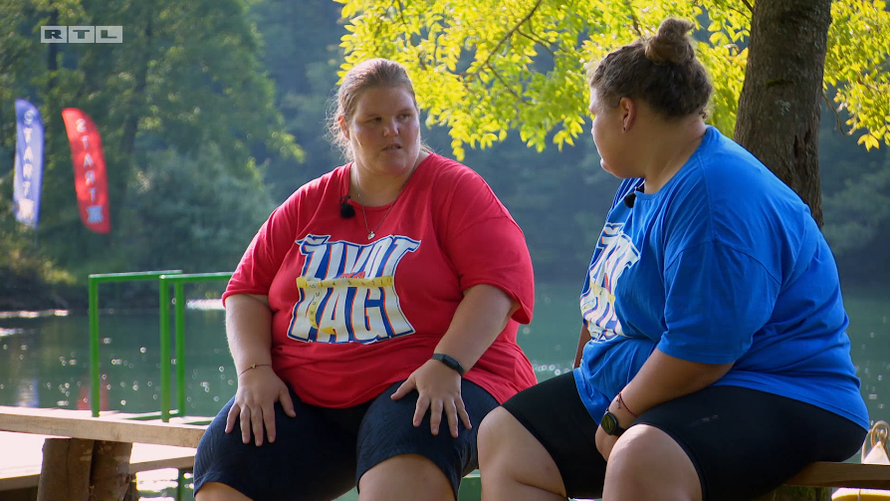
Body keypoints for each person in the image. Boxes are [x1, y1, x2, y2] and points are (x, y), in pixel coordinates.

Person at [477, 18, 869, 501]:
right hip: (666, 383)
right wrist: (593, 376)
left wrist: (619, 412)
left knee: (642, 457)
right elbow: (611, 300)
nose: (591, 128)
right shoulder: (643, 179)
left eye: (593, 113)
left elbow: (706, 348)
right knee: (507, 437)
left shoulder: (712, 195)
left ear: (625, 112)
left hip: (778, 386)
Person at [193, 58, 536, 501]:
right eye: (374, 121)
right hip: (311, 393)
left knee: (407, 442)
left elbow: (497, 287)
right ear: (345, 127)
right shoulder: (308, 203)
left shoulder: (455, 190)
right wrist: (254, 371)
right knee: (228, 459)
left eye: (403, 117)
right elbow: (246, 292)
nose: (392, 130)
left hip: (433, 380)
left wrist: (448, 363)